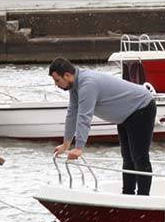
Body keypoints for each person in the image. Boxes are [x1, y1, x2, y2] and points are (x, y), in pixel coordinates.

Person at [50, 58, 157, 195]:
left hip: (142, 107)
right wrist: (66, 145)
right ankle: (128, 195)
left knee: (139, 157)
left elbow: (84, 116)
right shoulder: (75, 87)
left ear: (67, 75)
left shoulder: (87, 84)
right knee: (127, 157)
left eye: (57, 80)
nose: (56, 84)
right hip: (126, 115)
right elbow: (72, 114)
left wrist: (79, 147)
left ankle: (143, 199)